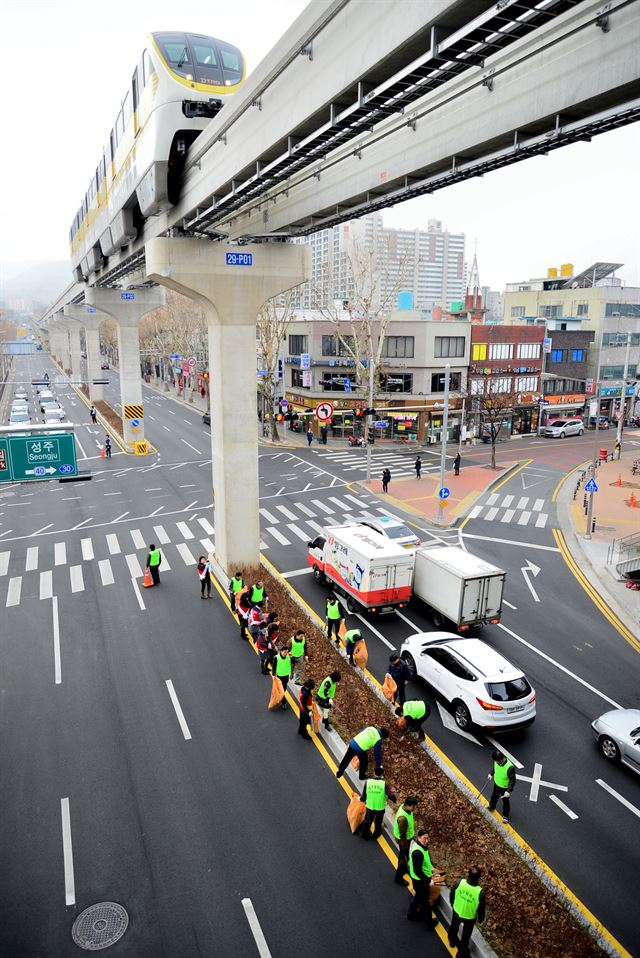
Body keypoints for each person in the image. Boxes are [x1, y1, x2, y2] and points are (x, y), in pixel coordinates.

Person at [449, 866, 486, 958]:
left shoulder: (459, 883)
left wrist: (452, 903)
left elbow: (452, 894)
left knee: (453, 927)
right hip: (469, 918)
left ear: (468, 875)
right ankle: (461, 953)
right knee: (465, 937)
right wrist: (480, 919)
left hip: (457, 911)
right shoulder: (480, 892)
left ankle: (452, 940)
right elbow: (481, 909)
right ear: (478, 878)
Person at [407, 830, 438, 929]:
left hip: (419, 879)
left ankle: (411, 914)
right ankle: (429, 923)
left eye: (428, 838)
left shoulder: (420, 847)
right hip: (420, 881)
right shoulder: (418, 853)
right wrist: (429, 881)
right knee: (425, 902)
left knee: (418, 897)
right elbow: (417, 871)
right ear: (419, 838)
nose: (427, 840)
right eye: (425, 838)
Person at [358, 766, 396, 841]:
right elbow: (390, 795)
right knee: (378, 822)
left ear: (374, 773)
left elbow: (364, 796)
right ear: (382, 774)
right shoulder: (384, 784)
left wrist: (361, 799)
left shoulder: (368, 782)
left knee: (368, 821)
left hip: (370, 806)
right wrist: (394, 800)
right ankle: (376, 834)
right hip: (380, 808)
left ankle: (364, 834)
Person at [393, 796, 419, 885]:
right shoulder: (402, 818)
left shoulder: (405, 808)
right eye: (413, 806)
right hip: (403, 841)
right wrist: (405, 845)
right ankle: (399, 877)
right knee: (404, 858)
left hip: (407, 838)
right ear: (407, 805)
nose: (414, 808)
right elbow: (402, 834)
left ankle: (403, 868)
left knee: (403, 856)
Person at [487, 750, 516, 823]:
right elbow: (494, 767)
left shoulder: (510, 767)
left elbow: (513, 781)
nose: (495, 762)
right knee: (494, 797)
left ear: (500, 760)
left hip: (504, 788)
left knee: (505, 802)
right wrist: (491, 773)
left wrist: (508, 791)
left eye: (496, 761)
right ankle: (491, 807)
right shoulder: (497, 762)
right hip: (496, 784)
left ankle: (505, 815)